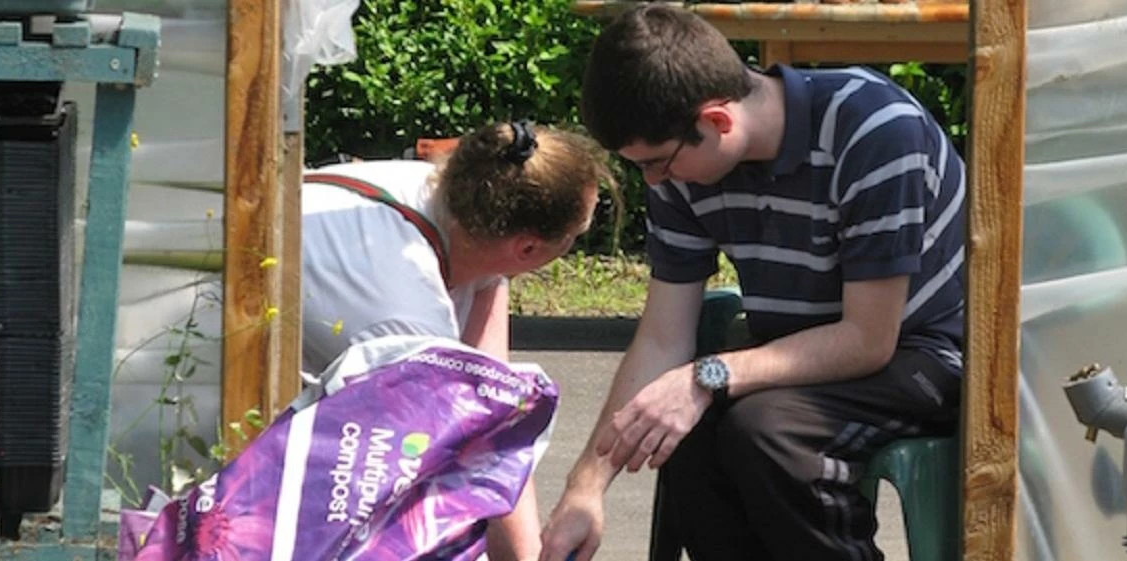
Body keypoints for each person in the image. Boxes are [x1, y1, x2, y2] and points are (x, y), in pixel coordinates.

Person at [540, 5, 966, 561]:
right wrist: (586, 487)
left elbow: (868, 339)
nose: (653, 181)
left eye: (658, 164)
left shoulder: (873, 130)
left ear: (718, 120)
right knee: (681, 429)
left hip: (924, 353)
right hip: (796, 359)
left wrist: (707, 376)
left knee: (768, 431)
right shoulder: (682, 168)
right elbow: (665, 338)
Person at [299, 121, 611, 561]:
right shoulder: (409, 325)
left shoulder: (449, 200)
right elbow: (427, 494)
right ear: (527, 249)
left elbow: (496, 420)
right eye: (573, 237)